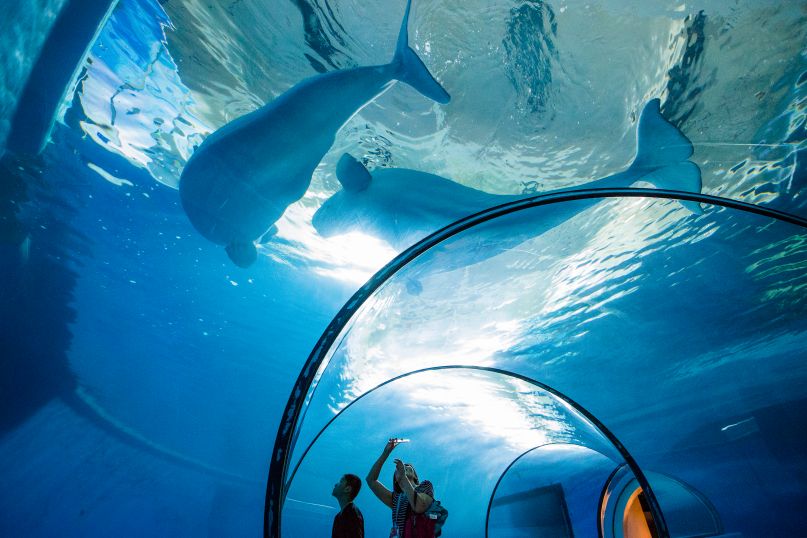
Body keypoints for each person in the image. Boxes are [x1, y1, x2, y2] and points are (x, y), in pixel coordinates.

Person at [366, 439, 434, 538]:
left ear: (415, 476)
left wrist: (403, 477)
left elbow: (419, 507)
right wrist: (386, 453)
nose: (404, 466)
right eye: (399, 469)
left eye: (408, 466)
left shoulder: (425, 485)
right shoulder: (395, 499)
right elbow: (370, 480)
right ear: (396, 480)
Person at [331, 473, 364, 538]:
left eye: (341, 481)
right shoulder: (338, 517)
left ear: (347, 489)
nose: (336, 484)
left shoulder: (353, 515)